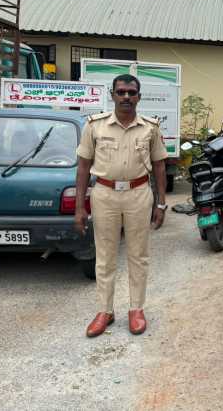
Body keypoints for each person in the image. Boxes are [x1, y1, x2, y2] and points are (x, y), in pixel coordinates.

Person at [74, 74, 169, 338]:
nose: (126, 97)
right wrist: (79, 207)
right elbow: (83, 166)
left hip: (139, 193)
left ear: (139, 96)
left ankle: (136, 309)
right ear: (112, 94)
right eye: (121, 92)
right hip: (104, 193)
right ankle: (105, 311)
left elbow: (160, 165)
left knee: (138, 255)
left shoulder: (150, 127)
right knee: (104, 256)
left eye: (131, 92)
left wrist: (161, 203)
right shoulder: (95, 126)